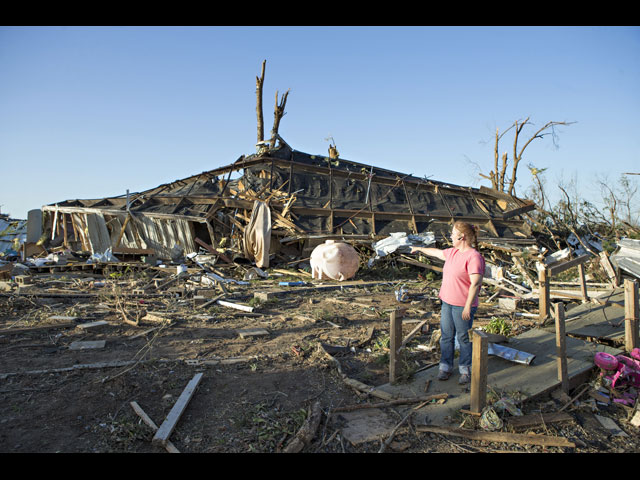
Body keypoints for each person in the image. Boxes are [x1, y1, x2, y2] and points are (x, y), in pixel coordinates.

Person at [409, 221, 485, 384]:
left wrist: (467, 306)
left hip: (462, 306)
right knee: (446, 336)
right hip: (447, 303)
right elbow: (436, 252)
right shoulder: (452, 253)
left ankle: (465, 369)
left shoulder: (474, 257)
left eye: (452, 233)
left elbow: (475, 283)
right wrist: (420, 248)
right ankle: (445, 367)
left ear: (462, 236)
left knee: (463, 337)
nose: (450, 236)